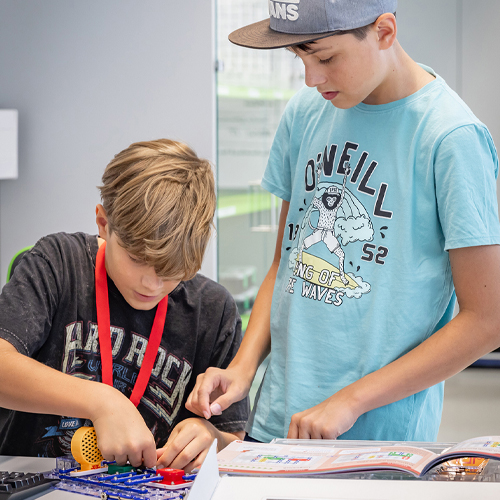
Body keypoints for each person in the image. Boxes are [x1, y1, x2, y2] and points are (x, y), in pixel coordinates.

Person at [186, 0, 500, 443]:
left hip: (377, 440)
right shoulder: (304, 112)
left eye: (327, 58)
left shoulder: (451, 138)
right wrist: (243, 367)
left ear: (384, 32)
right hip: (276, 424)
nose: (311, 78)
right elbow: (286, 262)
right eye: (300, 58)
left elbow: (487, 319)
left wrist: (350, 401)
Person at [0, 139, 248, 470]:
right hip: (33, 484)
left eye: (171, 270)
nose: (152, 284)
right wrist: (102, 401)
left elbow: (233, 437)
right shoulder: (58, 263)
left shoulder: (214, 311)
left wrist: (210, 436)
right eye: (137, 259)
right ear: (104, 224)